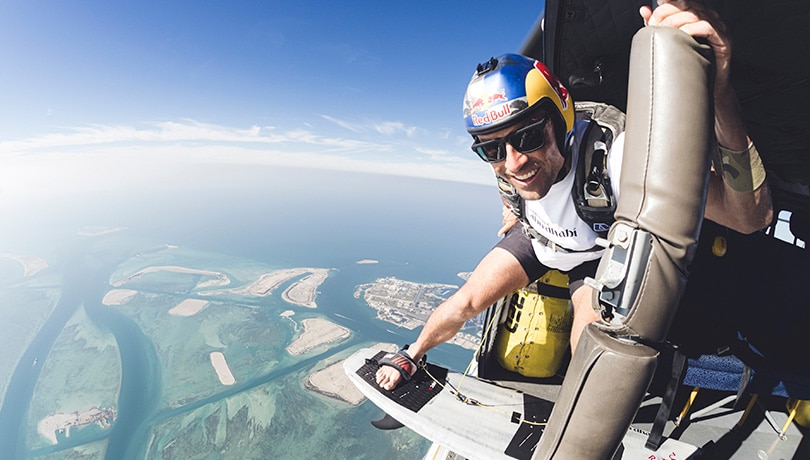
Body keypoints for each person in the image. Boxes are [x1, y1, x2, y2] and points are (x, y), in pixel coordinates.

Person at [376, 1, 772, 391]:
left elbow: (750, 218)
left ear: (562, 115)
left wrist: (720, 94)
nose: (512, 162)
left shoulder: (618, 158)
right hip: (540, 241)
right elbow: (508, 180)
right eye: (491, 150)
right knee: (465, 302)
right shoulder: (509, 170)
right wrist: (513, 212)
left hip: (591, 256)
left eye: (528, 136)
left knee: (586, 342)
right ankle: (411, 354)